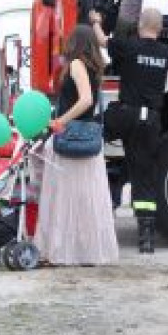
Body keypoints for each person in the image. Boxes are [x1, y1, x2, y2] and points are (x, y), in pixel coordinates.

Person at [93, 6, 168, 253]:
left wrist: (95, 21)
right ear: (160, 29)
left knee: (90, 133)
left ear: (139, 26)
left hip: (124, 115)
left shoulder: (126, 46)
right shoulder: (167, 53)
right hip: (150, 121)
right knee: (144, 175)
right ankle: (146, 239)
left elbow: (102, 40)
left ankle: (104, 189)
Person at [33, 24, 118, 266]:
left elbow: (85, 100)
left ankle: (62, 251)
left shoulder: (77, 65)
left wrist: (60, 120)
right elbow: (92, 101)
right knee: (86, 199)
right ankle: (87, 251)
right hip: (89, 138)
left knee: (63, 198)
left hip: (70, 136)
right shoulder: (93, 69)